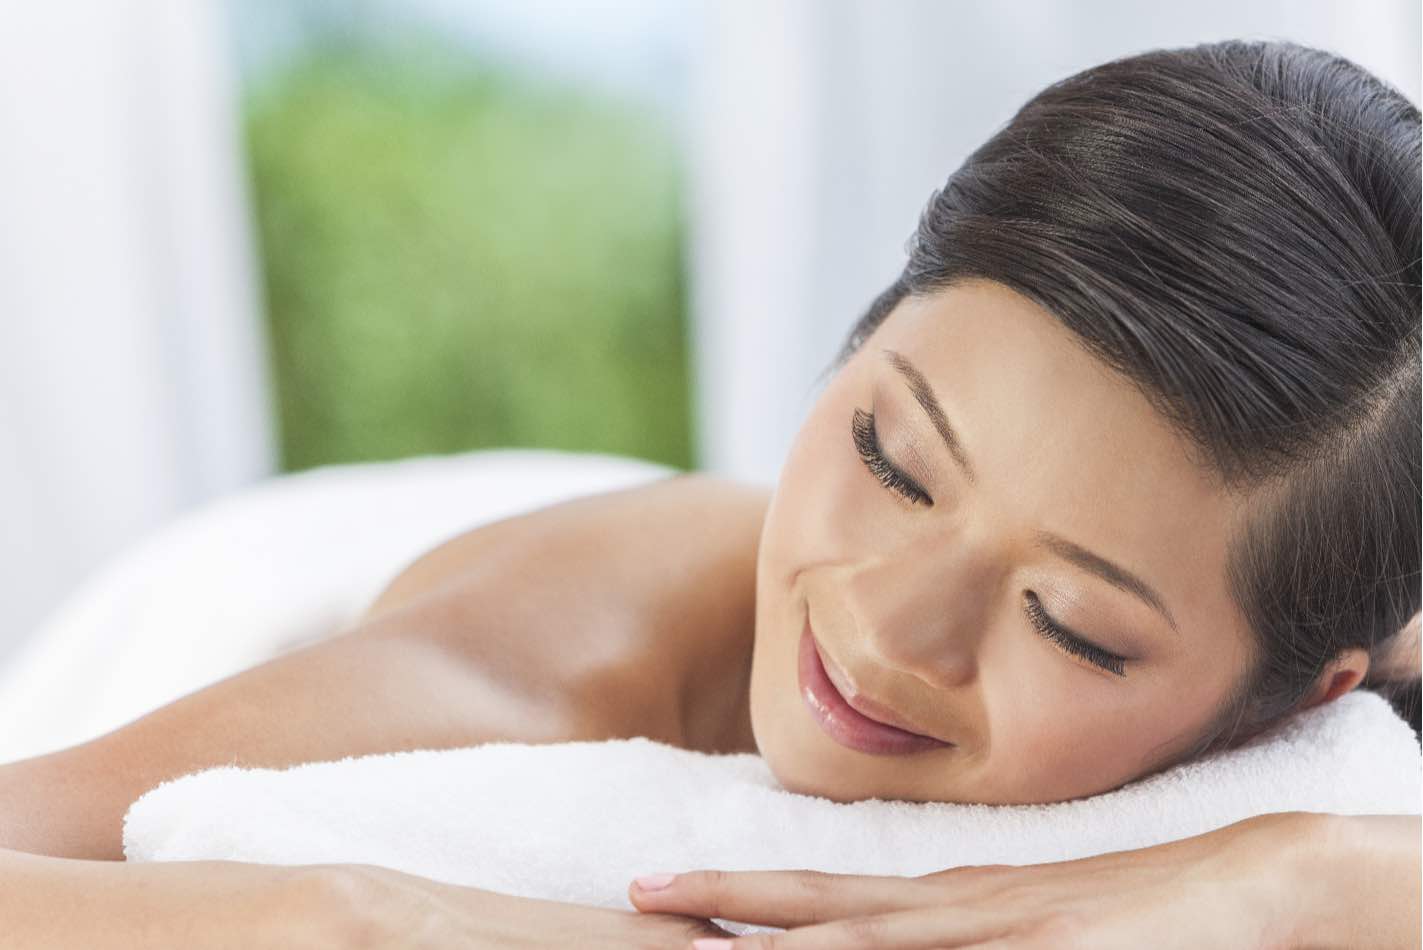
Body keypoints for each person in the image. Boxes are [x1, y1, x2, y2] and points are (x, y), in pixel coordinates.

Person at [0, 36, 1418, 949]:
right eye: (892, 459)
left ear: (1302, 697)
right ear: (868, 329)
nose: (885, 628)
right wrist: (354, 914)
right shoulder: (549, 668)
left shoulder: (1334, 601)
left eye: (1068, 622)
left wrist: (1304, 877)